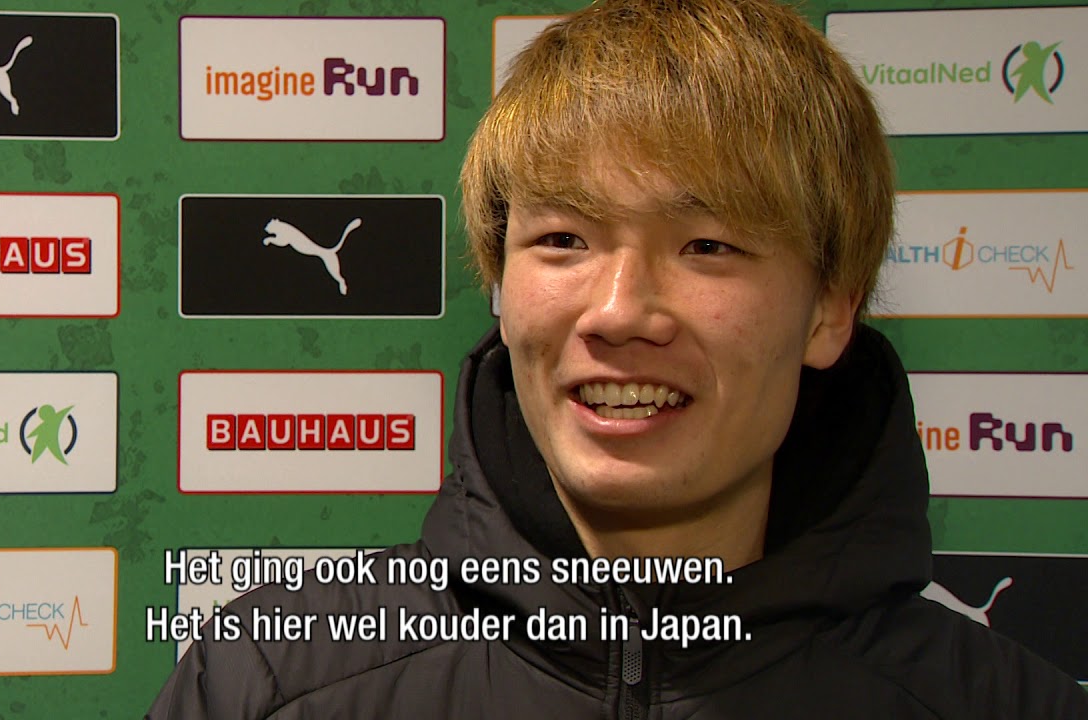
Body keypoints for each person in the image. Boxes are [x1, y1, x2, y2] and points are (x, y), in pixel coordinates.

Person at [147, 1, 1088, 717]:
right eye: (563, 240)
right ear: (503, 285)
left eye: (708, 246)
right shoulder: (267, 686)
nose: (619, 310)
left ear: (830, 310)